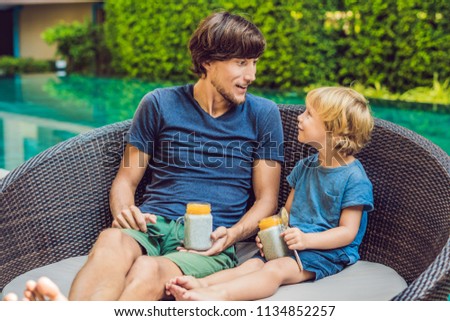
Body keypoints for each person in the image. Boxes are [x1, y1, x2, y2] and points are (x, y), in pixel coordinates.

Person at [3, 11, 284, 301]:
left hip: (209, 240)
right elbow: (126, 179)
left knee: (148, 269)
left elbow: (267, 200)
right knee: (111, 240)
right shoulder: (160, 103)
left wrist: (234, 234)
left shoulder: (263, 114)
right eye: (241, 63)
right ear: (207, 61)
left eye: (254, 63)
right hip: (151, 224)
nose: (251, 75)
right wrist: (125, 211)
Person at [165, 86, 375, 301]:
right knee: (252, 264)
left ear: (335, 131)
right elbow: (286, 214)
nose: (300, 117)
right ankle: (201, 284)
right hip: (294, 242)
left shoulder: (354, 178)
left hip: (326, 251)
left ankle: (218, 296)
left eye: (309, 114)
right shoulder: (305, 167)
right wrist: (271, 235)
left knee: (275, 270)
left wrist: (307, 240)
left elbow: (348, 232)